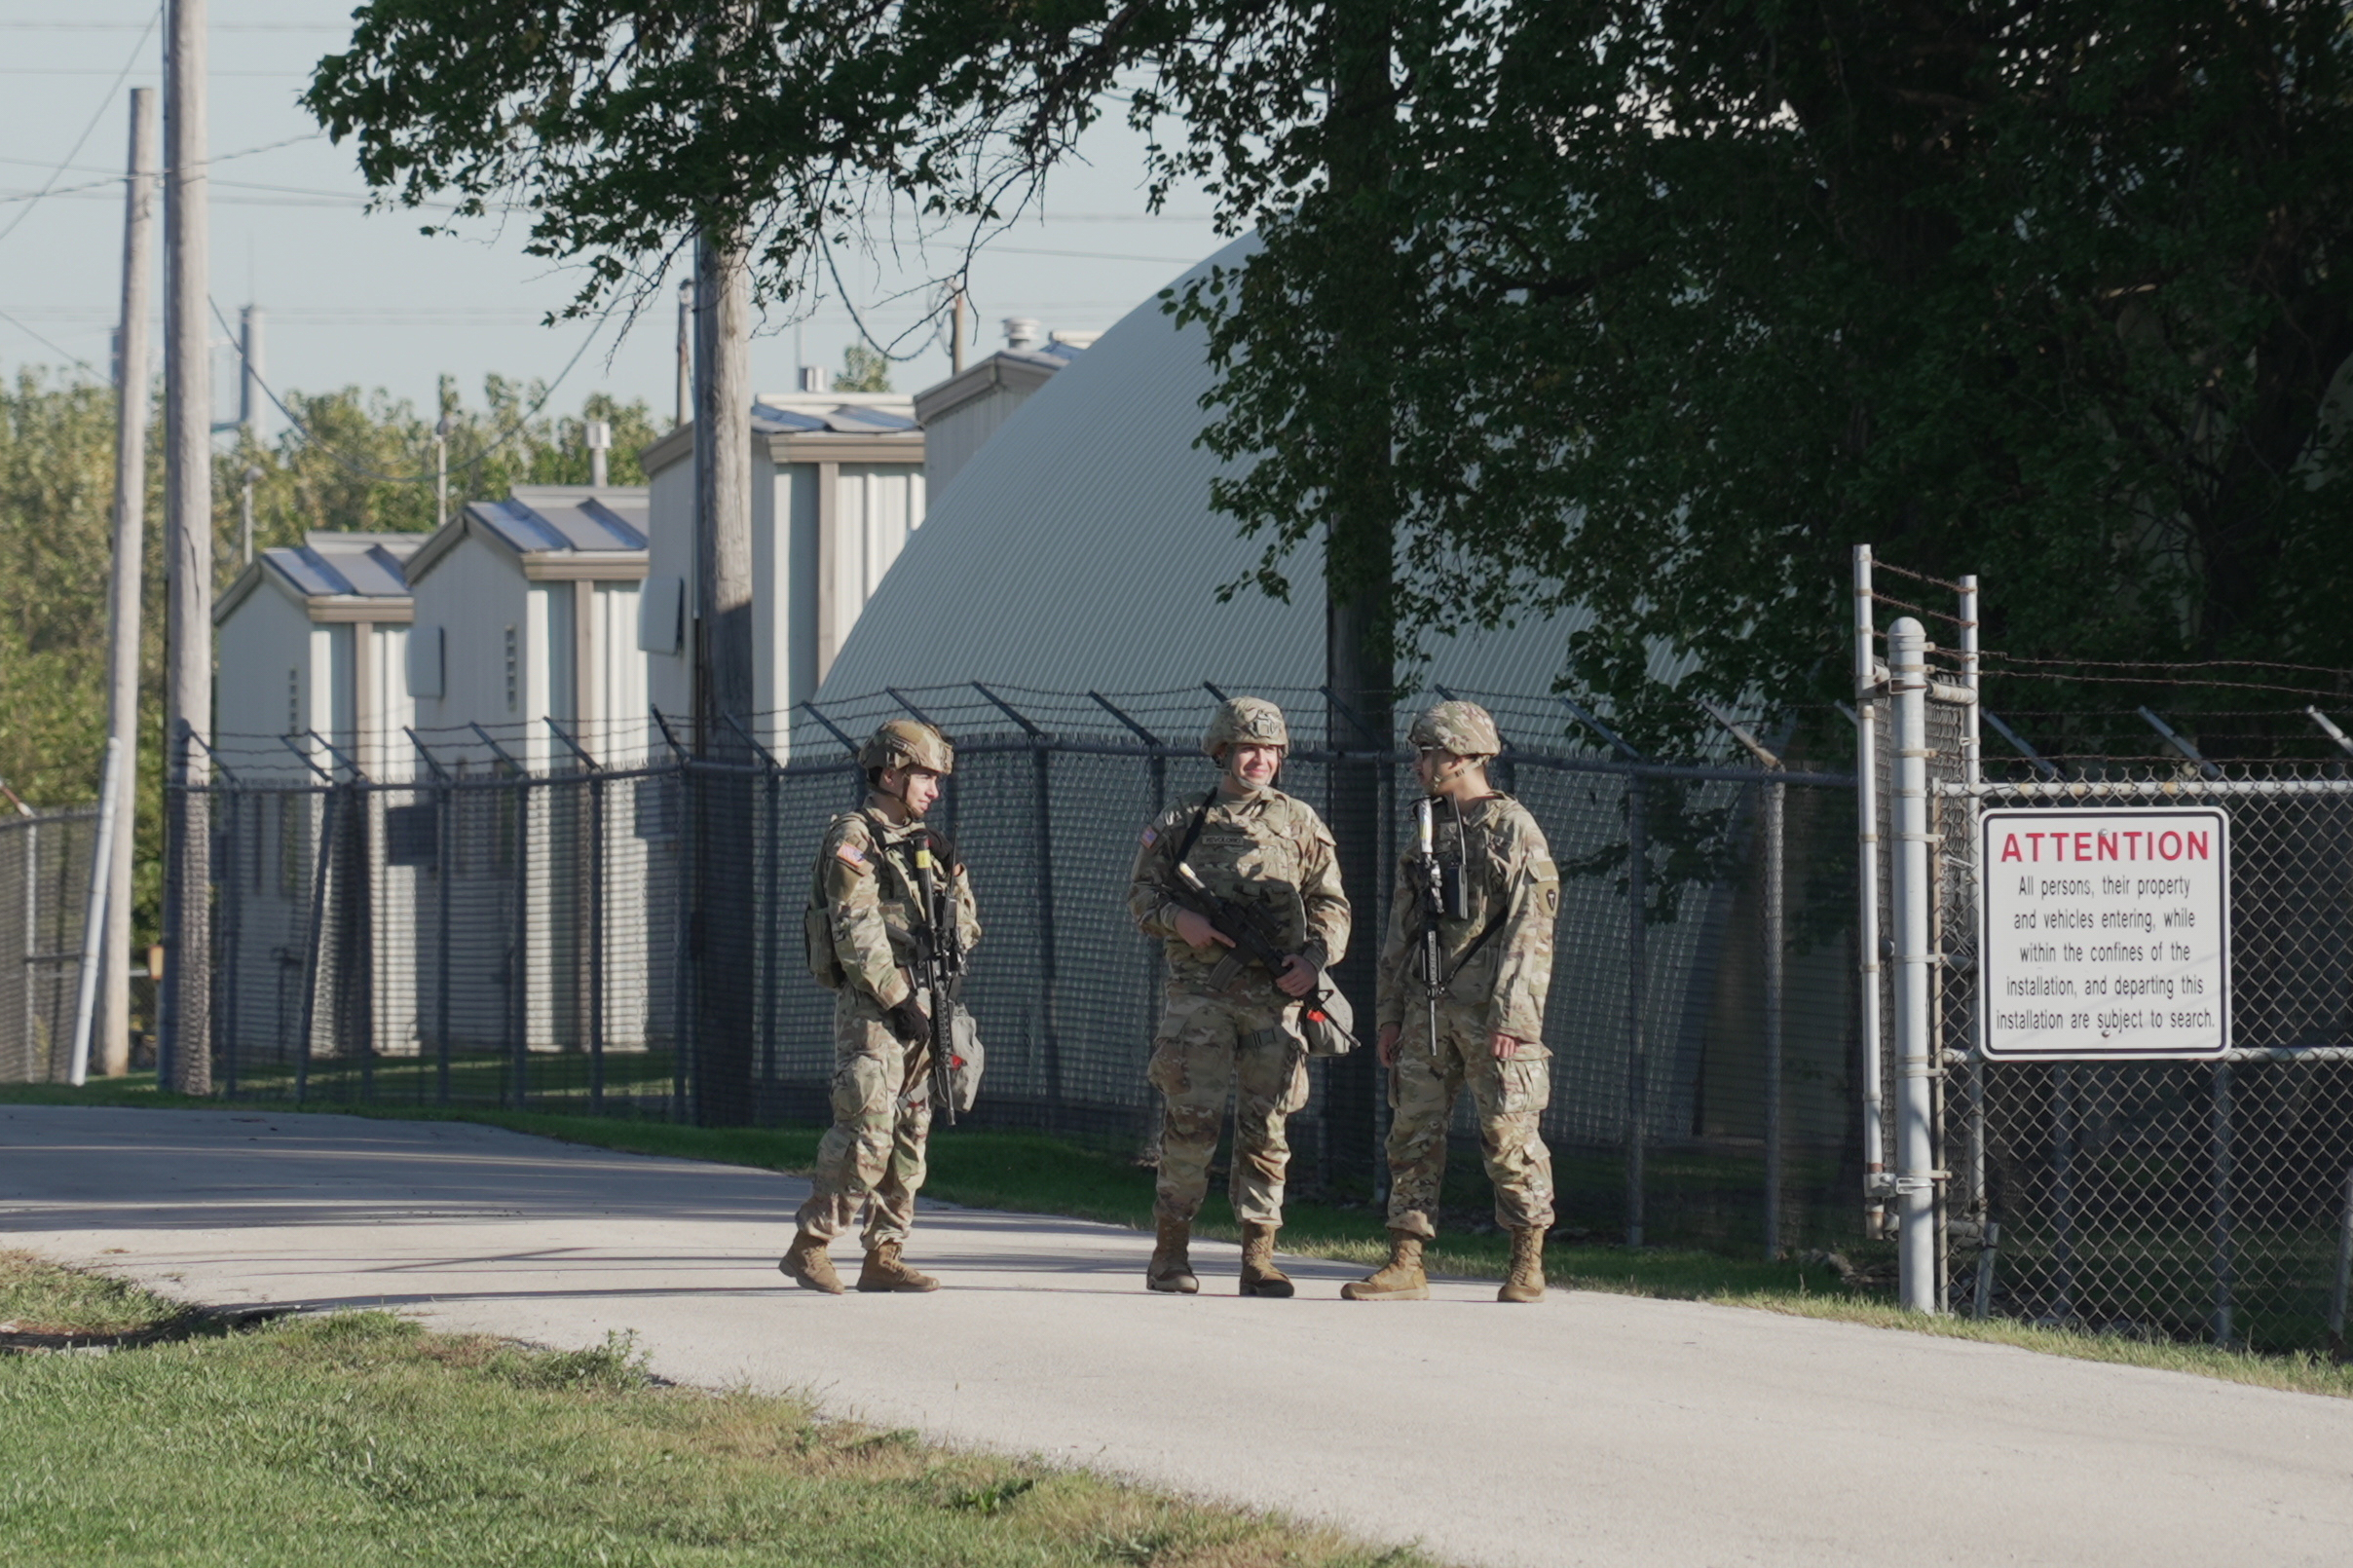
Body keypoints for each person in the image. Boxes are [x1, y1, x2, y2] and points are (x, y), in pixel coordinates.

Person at [1127, 696, 1351, 1296]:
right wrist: (1182, 921)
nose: (1260, 759)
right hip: (1199, 1002)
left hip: (1274, 1005)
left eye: (1270, 749)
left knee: (1268, 1128)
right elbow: (1141, 897)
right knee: (1190, 1127)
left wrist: (1313, 961)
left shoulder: (1299, 822)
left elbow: (1332, 905)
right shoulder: (1182, 821)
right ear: (1222, 751)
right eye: (1248, 748)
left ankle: (1259, 1258)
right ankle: (1170, 1255)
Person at [1346, 700, 1561, 1304]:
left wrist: (1514, 1020)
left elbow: (1531, 930)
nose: (1418, 765)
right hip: (1428, 1011)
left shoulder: (1515, 829)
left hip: (1492, 1014)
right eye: (1418, 753)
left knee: (1509, 1138)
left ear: (1465, 756)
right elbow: (1401, 929)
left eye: (1429, 753)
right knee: (1411, 1135)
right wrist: (1390, 1015)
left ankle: (1526, 1259)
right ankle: (1406, 1259)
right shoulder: (1427, 828)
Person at [780, 718, 980, 1294]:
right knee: (868, 1126)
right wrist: (896, 999)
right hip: (876, 1006)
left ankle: (885, 1252)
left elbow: (966, 925)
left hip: (928, 999)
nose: (934, 791)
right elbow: (854, 928)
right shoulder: (856, 836)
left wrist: (954, 870)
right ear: (891, 772)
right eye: (926, 777)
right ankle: (810, 1244)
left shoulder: (925, 846)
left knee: (913, 1128)